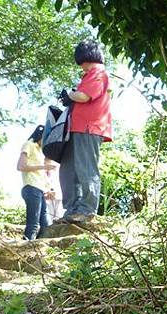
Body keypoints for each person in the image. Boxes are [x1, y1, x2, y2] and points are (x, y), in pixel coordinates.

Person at [58, 39, 112, 223]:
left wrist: (70, 95)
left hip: (90, 128)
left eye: (81, 61)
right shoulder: (89, 75)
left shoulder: (98, 72)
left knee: (86, 168)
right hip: (75, 128)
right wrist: (71, 96)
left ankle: (87, 210)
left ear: (85, 56)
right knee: (68, 170)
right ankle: (72, 210)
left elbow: (83, 96)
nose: (81, 67)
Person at [16, 126, 57, 240]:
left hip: (39, 190)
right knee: (33, 225)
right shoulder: (29, 145)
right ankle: (25, 247)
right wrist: (44, 166)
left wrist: (48, 189)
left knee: (45, 226)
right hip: (31, 188)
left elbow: (39, 174)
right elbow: (21, 166)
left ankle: (38, 250)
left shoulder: (40, 151)